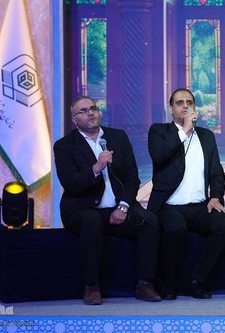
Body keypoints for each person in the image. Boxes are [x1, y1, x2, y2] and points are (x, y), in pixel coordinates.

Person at [54, 96, 161, 305]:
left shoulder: (117, 137)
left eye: (93, 108)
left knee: (150, 222)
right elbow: (70, 183)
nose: (90, 113)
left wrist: (123, 206)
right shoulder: (65, 146)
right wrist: (96, 168)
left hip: (117, 207)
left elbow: (132, 178)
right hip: (81, 209)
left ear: (100, 112)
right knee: (92, 221)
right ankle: (92, 286)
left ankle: (145, 284)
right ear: (74, 120)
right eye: (83, 111)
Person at [147, 88, 225, 300]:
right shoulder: (159, 131)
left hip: (199, 206)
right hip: (168, 205)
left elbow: (216, 172)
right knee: (175, 227)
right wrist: (184, 130)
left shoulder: (206, 136)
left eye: (189, 102)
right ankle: (169, 284)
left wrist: (216, 197)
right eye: (180, 103)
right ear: (171, 108)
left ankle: (196, 280)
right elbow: (159, 157)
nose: (185, 106)